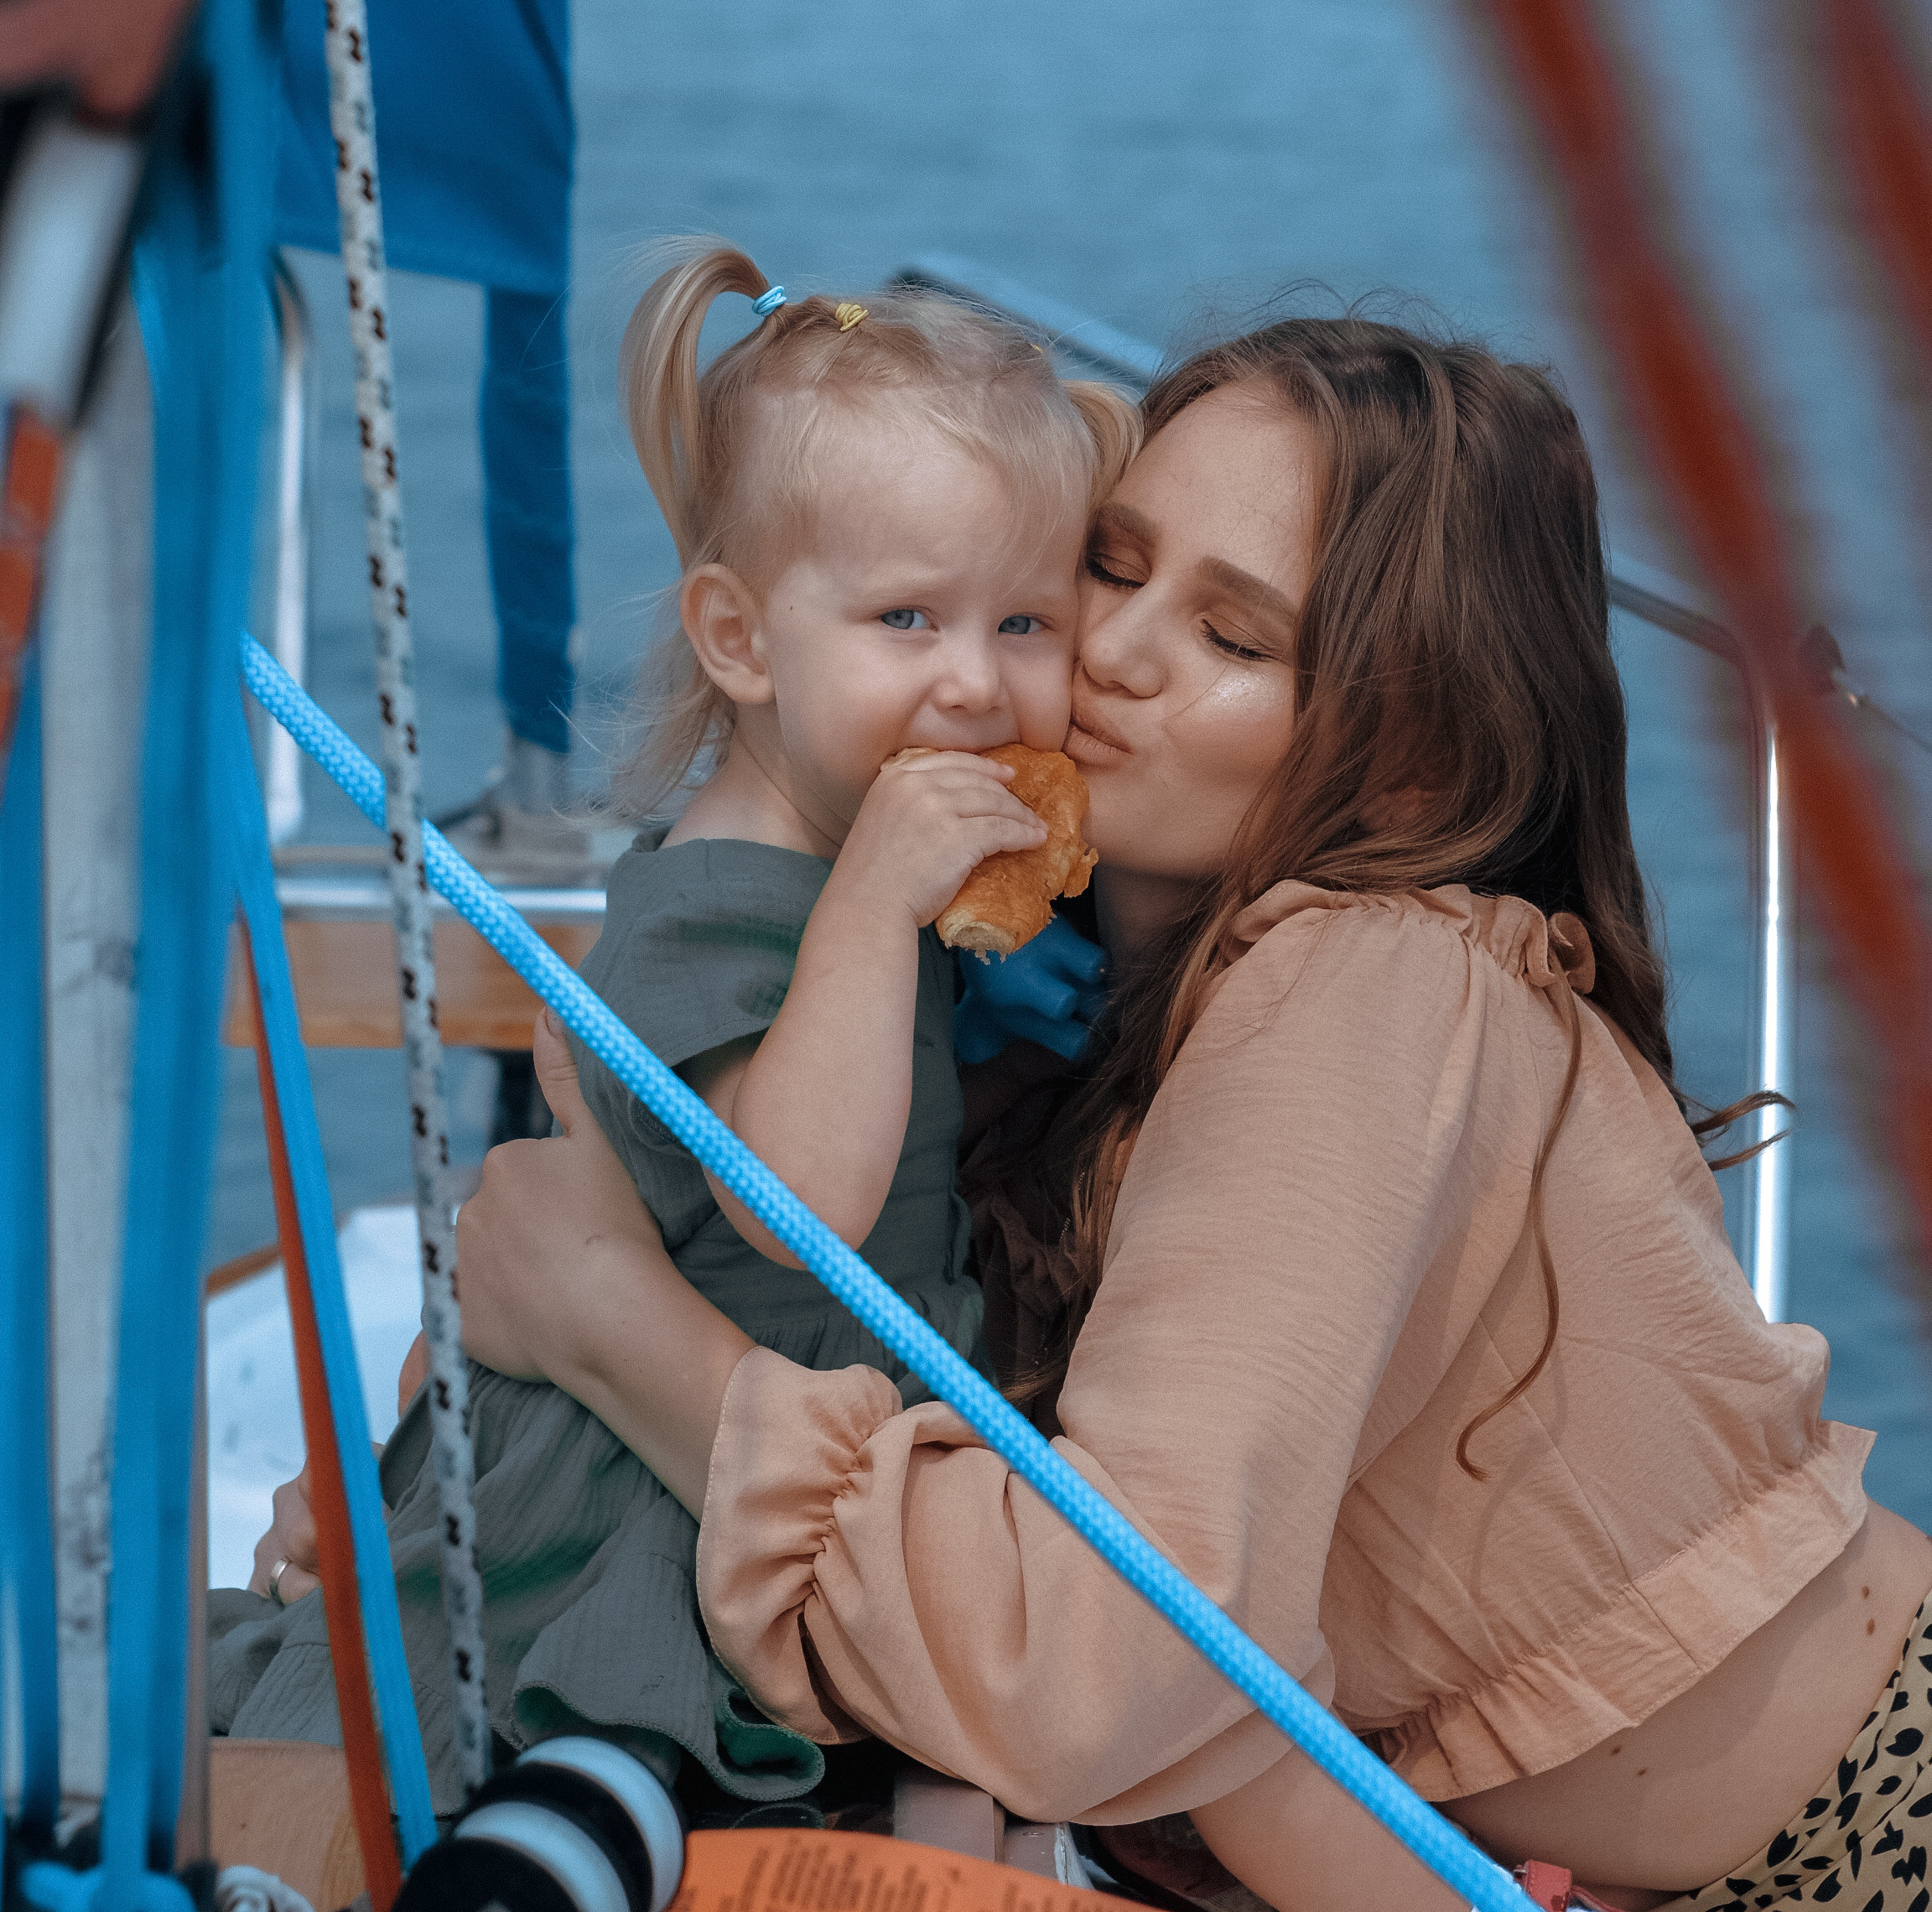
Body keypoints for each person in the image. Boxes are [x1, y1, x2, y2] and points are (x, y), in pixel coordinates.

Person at [377, 313, 1930, 1912]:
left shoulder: (1366, 988)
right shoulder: (1033, 971)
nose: (1109, 654)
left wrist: (607, 1327)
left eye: (1234, 640)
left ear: (1401, 757)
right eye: (1111, 569)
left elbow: (1111, 1661)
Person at [217, 242, 1132, 1812]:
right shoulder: (718, 905)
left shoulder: (841, 858)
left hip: (784, 1401)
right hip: (646, 1473)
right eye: (908, 619)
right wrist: (879, 909)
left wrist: (983, 976)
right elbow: (793, 1208)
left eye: (1028, 624)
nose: (979, 683)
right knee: (615, 1745)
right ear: (742, 640)